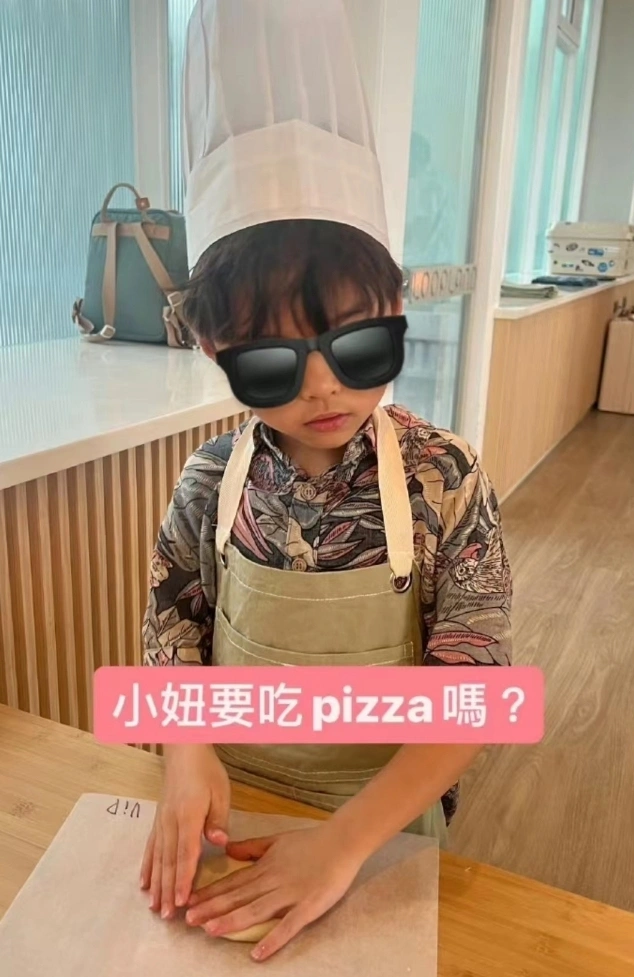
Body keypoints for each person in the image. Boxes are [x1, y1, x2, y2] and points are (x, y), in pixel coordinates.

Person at [140, 0, 512, 961]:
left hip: (378, 826)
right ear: (216, 350)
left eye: (358, 346)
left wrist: (343, 845)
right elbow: (172, 632)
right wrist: (187, 751)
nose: (323, 388)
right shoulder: (209, 481)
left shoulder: (444, 478)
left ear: (395, 309)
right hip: (230, 809)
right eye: (272, 362)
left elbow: (472, 693)